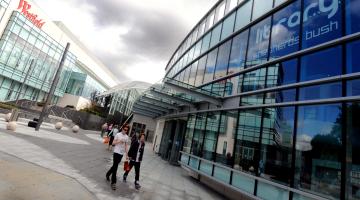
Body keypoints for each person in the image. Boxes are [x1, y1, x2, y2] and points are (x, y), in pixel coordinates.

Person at [106, 125, 129, 190]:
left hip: (121, 154)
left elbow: (126, 146)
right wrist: (119, 141)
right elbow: (113, 143)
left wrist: (127, 155)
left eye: (126, 130)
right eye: (124, 129)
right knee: (115, 167)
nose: (125, 131)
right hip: (116, 152)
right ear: (122, 129)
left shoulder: (127, 137)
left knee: (114, 166)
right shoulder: (118, 135)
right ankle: (113, 183)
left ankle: (108, 174)